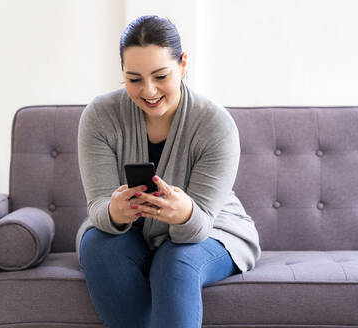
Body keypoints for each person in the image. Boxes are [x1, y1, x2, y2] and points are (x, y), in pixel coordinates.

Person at [75, 15, 261, 328]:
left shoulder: (216, 126)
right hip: (132, 231)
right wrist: (115, 211)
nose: (149, 91)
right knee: (96, 247)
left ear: (183, 64)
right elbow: (98, 208)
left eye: (161, 76)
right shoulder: (100, 116)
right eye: (134, 79)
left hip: (212, 227)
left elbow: (200, 222)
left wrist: (185, 213)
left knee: (175, 261)